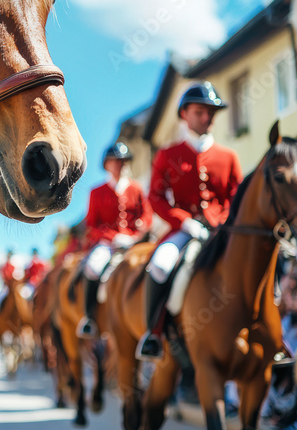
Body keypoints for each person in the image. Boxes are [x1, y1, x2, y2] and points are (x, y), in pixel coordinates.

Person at [137, 82, 242, 360]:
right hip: (185, 230)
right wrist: (184, 222)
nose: (207, 118)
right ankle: (154, 333)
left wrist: (222, 222)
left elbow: (236, 197)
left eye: (211, 113)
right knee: (159, 266)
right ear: (184, 114)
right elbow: (156, 198)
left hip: (222, 229)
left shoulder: (228, 156)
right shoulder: (168, 155)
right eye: (200, 112)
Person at [77, 142, 151, 338]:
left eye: (123, 161)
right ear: (107, 164)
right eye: (115, 161)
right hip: (108, 245)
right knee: (92, 268)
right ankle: (89, 319)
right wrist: (114, 237)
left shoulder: (137, 189)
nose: (120, 165)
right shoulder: (96, 192)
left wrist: (138, 232)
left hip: (136, 242)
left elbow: (146, 215)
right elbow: (92, 226)